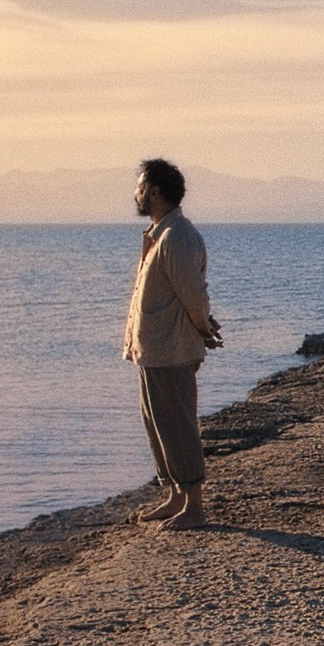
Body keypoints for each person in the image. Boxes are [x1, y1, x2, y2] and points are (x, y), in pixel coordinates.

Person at [124, 158, 223, 531]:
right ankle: (176, 496)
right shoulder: (160, 234)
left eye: (139, 186)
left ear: (154, 191)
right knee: (158, 425)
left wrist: (203, 328)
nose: (135, 193)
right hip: (153, 349)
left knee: (178, 427)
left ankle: (194, 507)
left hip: (171, 349)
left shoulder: (177, 236)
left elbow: (193, 294)